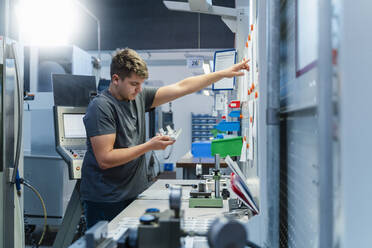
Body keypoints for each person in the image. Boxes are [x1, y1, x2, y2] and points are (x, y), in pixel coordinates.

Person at [80, 48, 249, 228]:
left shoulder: (138, 96)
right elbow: (105, 159)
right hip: (106, 199)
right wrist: (148, 146)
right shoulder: (101, 108)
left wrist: (222, 74)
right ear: (115, 79)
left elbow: (182, 87)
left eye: (141, 84)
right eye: (134, 84)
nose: (139, 89)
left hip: (132, 193)